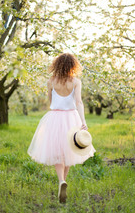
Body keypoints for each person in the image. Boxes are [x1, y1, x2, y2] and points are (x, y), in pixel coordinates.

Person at [27, 53, 96, 203]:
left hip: (55, 117)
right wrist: (83, 121)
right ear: (73, 65)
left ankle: (61, 181)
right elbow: (79, 103)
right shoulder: (76, 82)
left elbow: (51, 101)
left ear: (57, 65)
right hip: (71, 118)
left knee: (58, 150)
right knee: (70, 150)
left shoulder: (51, 81)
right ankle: (63, 181)